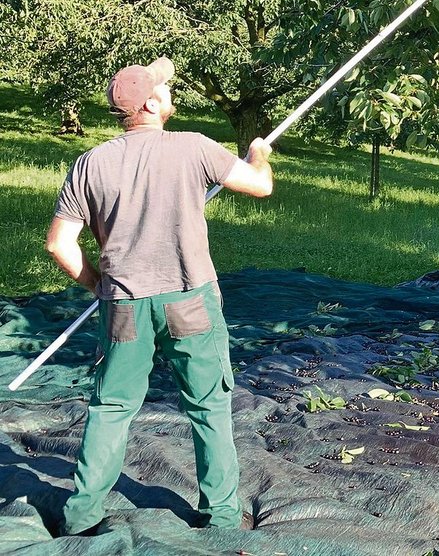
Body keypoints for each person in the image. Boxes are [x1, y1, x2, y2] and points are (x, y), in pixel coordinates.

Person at [45, 56, 274, 535]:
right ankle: (221, 517)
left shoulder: (90, 163)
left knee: (111, 408)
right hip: (189, 301)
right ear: (151, 102)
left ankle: (81, 516)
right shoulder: (193, 147)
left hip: (123, 306)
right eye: (165, 89)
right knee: (208, 407)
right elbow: (259, 187)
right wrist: (259, 155)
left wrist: (97, 283)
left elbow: (59, 244)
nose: (172, 93)